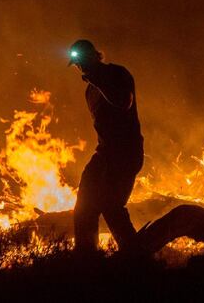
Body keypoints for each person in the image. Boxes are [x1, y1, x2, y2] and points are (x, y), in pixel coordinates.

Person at [68, 39, 144, 254]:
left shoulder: (117, 74)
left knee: (111, 206)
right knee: (84, 208)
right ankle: (87, 259)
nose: (79, 67)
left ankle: (136, 258)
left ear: (95, 55)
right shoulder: (89, 91)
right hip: (105, 153)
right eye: (76, 63)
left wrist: (96, 78)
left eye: (82, 60)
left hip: (126, 153)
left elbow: (123, 102)